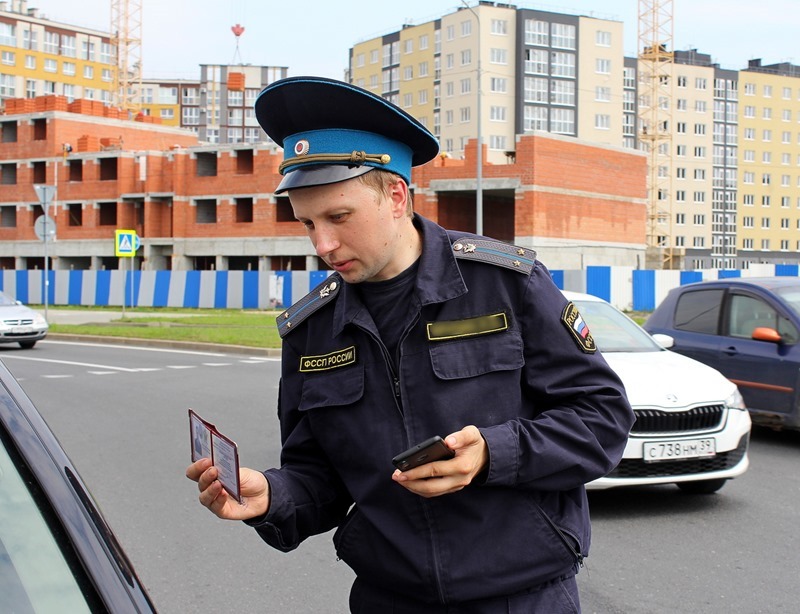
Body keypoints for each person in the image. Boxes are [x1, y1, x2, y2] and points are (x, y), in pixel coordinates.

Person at [186, 76, 635, 613]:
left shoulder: (507, 283)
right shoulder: (311, 328)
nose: (323, 245)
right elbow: (319, 475)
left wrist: (493, 453)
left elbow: (603, 417)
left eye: (338, 217)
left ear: (396, 195)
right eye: (307, 223)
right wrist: (270, 495)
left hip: (523, 597)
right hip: (389, 600)